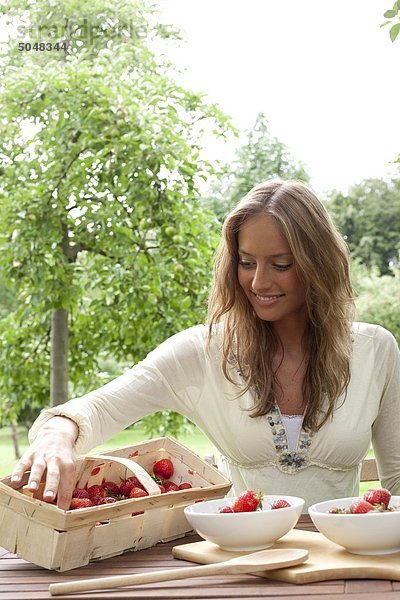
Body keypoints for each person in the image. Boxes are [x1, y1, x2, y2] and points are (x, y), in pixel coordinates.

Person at [10, 179, 400, 511]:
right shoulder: (204, 351)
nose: (259, 283)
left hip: (339, 567)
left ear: (320, 264)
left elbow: (397, 477)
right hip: (237, 564)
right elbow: (100, 407)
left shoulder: (375, 350)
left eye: (280, 265)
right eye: (246, 263)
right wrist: (56, 435)